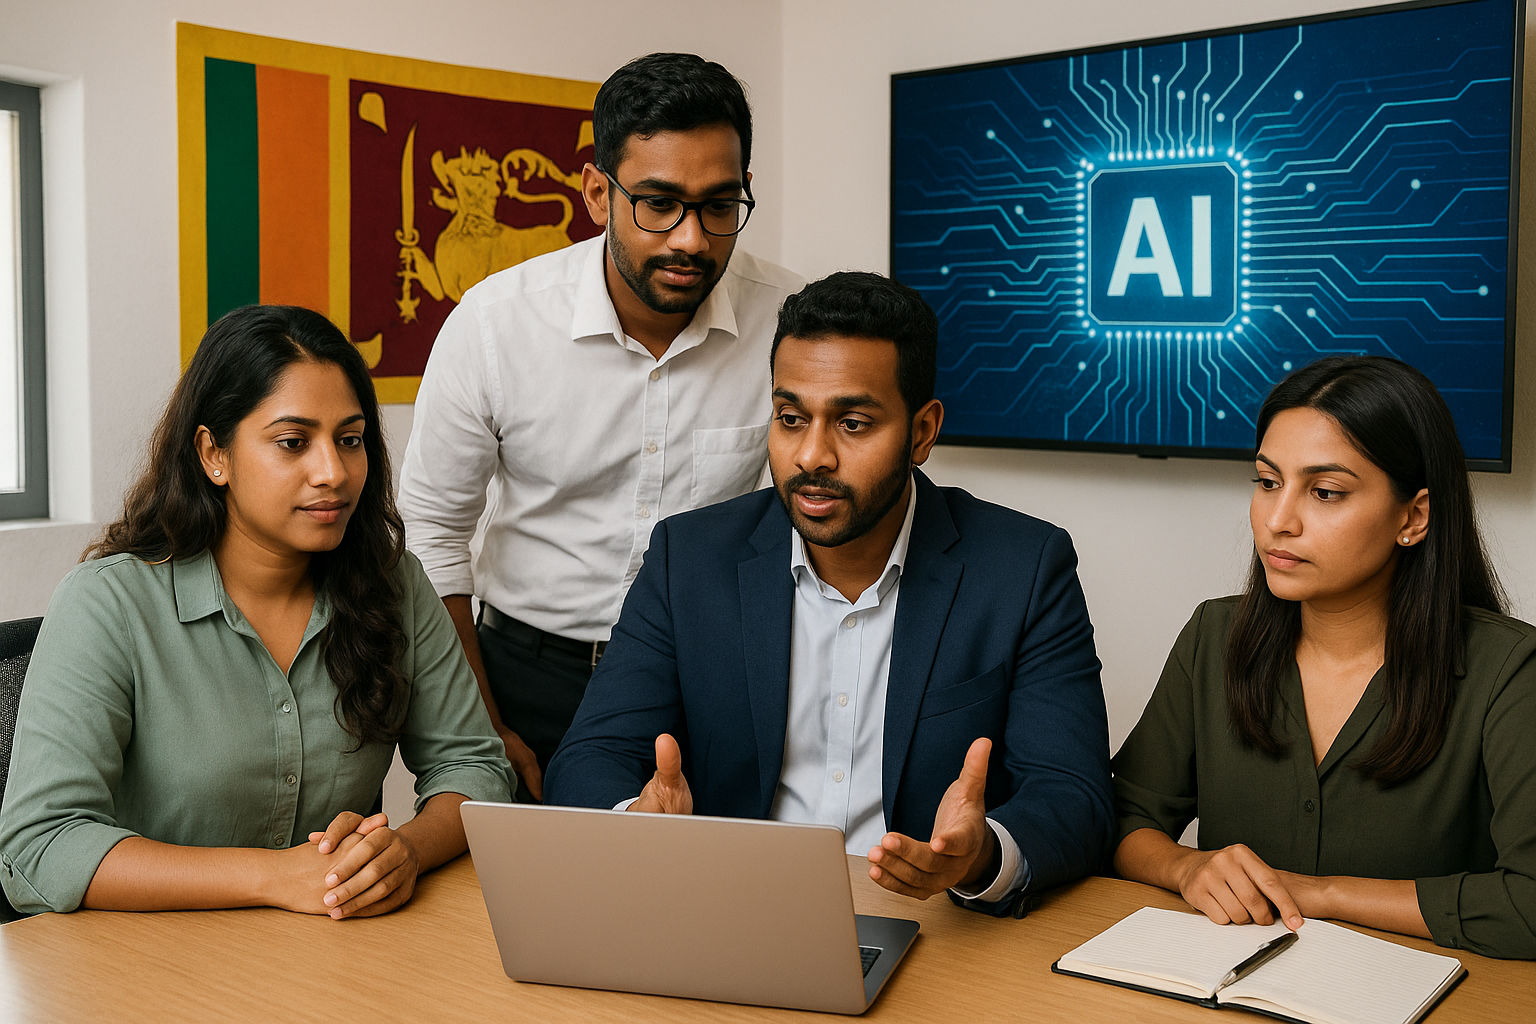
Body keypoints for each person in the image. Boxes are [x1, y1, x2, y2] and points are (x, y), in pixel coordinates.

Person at [544, 272, 1113, 916]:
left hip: (931, 925)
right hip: (728, 910)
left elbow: (1073, 795)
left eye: (854, 422)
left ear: (922, 433)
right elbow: (588, 757)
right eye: (791, 418)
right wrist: (637, 822)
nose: (812, 454)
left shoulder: (1023, 567)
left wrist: (981, 855)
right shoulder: (689, 559)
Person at [0, 306, 512, 918]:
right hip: (140, 964)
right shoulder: (108, 603)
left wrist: (402, 851)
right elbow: (41, 844)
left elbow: (475, 767)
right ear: (214, 454)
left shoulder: (394, 585)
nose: (333, 472)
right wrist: (273, 877)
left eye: (350, 440)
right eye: (293, 442)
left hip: (329, 954)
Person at [397, 53, 802, 801]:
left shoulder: (789, 324)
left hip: (705, 674)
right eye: (657, 202)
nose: (690, 238)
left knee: (700, 902)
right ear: (595, 192)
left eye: (718, 206)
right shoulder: (495, 324)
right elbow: (432, 535)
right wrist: (482, 727)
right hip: (524, 676)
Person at [1112, 356, 1536, 959]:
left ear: (1413, 516)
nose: (1278, 521)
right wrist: (1185, 868)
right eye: (1266, 482)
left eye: (1326, 492)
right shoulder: (1215, 634)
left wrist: (1321, 893)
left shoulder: (1509, 670)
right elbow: (1122, 816)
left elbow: (1529, 901)